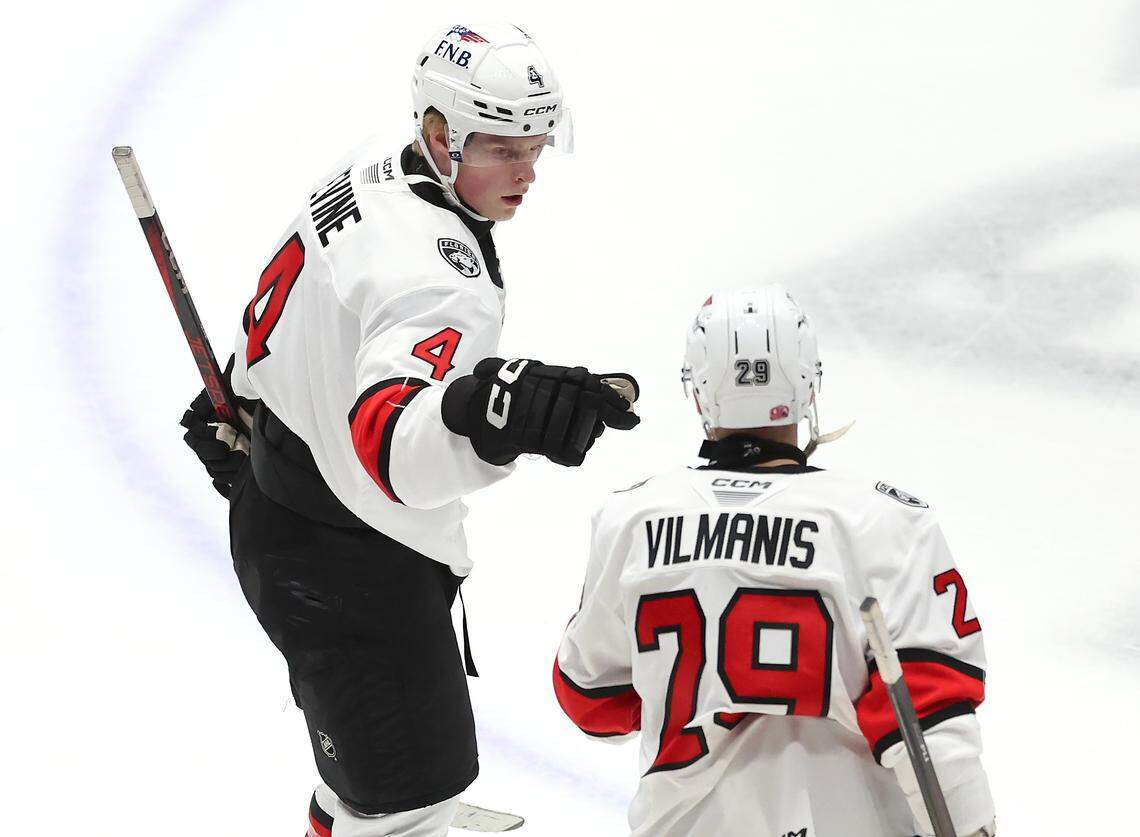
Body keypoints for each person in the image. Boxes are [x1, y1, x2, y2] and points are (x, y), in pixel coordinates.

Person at [179, 22, 639, 837]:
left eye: (535, 146)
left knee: (370, 789)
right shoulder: (438, 281)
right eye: (503, 149)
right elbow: (393, 451)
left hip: (285, 514)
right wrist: (495, 412)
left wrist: (243, 395)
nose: (528, 172)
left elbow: (300, 303)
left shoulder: (371, 166)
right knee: (406, 804)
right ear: (439, 132)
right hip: (348, 569)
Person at [553, 286, 996, 836]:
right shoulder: (882, 519)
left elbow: (591, 699)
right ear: (808, 383)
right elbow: (929, 715)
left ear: (699, 390)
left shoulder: (631, 516)